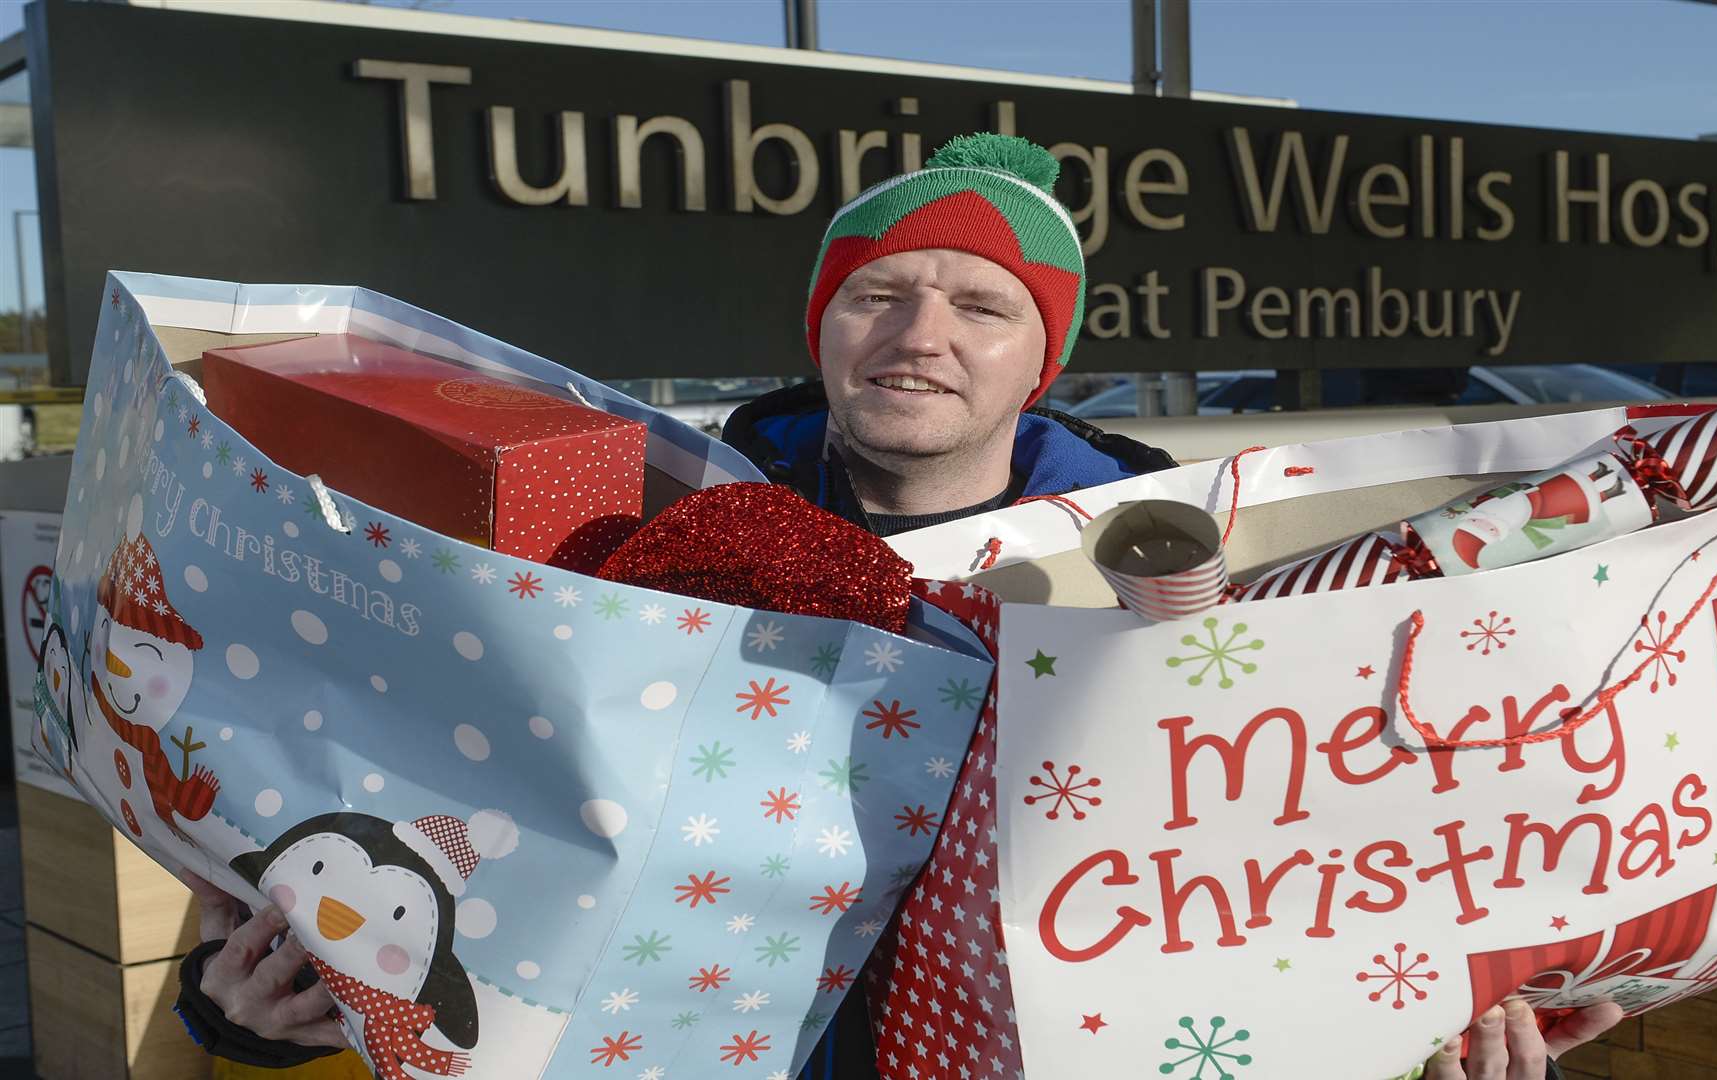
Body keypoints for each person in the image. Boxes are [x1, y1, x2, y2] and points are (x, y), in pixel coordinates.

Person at [174, 133, 1619, 1080]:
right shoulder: (649, 543)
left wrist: (1455, 1014)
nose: (921, 334)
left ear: (1037, 361)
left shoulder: (1185, 595)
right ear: (825, 329)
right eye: (880, 296)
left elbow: (1285, 880)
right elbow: (462, 821)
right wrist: (241, 1007)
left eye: (980, 308)